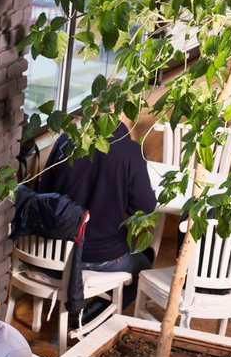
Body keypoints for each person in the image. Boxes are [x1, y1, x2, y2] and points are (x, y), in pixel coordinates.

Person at [37, 121, 158, 316]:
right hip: (101, 256)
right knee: (143, 269)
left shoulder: (66, 140)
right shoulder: (129, 151)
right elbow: (145, 208)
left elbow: (43, 193)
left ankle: (82, 310)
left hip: (55, 252)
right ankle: (91, 318)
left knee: (142, 254)